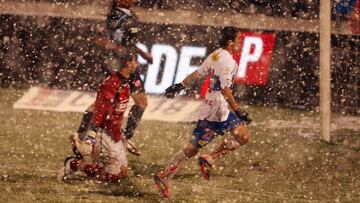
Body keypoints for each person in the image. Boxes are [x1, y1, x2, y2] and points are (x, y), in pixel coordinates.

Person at [154, 27, 252, 198]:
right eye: (238, 39)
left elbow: (198, 73)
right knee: (192, 149)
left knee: (243, 136)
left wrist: (179, 86)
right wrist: (239, 111)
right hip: (213, 113)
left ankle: (210, 158)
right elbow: (225, 89)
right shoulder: (228, 61)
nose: (240, 42)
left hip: (220, 109)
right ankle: (164, 175)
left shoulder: (216, 54)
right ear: (230, 43)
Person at [76, 0, 152, 156]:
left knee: (141, 102)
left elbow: (127, 41)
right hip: (118, 66)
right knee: (103, 102)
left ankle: (126, 136)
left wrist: (142, 54)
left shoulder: (130, 14)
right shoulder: (115, 17)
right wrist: (119, 52)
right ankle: (81, 135)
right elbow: (101, 39)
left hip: (129, 66)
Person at [58, 52, 138, 182]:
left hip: (115, 134)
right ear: (128, 64)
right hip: (105, 133)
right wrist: (91, 135)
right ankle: (73, 164)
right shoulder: (111, 84)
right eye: (135, 61)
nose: (137, 64)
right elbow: (100, 110)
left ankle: (87, 164)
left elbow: (115, 114)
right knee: (112, 178)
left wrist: (122, 135)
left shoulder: (125, 83)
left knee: (123, 173)